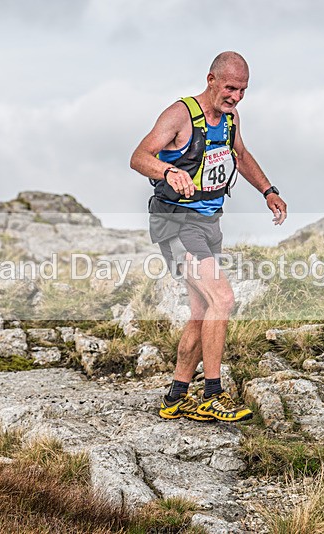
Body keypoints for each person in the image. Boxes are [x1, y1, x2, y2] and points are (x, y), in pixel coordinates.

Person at [130, 51, 287, 422]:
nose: (235, 96)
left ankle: (175, 396)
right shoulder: (180, 114)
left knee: (202, 312)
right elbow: (139, 156)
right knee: (223, 297)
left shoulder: (230, 118)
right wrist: (168, 172)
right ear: (211, 79)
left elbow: (241, 154)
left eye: (243, 90)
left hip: (208, 222)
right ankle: (213, 393)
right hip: (176, 222)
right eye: (230, 87)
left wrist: (268, 190)